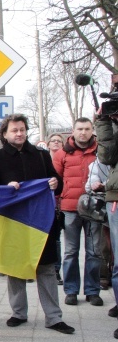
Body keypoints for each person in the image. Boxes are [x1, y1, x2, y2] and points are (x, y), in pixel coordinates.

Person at [0, 114, 75, 335]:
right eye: (14, 130)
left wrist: (56, 182)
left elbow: (58, 183)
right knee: (15, 266)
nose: (20, 133)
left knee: (45, 268)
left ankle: (54, 317)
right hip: (13, 222)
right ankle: (18, 313)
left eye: (22, 129)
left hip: (41, 222)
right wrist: (6, 188)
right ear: (4, 134)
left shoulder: (42, 156)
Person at [53, 117, 103, 306]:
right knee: (71, 251)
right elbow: (54, 181)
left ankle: (92, 291)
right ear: (73, 131)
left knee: (94, 251)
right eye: (80, 129)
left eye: (87, 129)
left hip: (95, 209)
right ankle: (71, 290)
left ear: (92, 130)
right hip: (70, 209)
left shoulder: (100, 151)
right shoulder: (62, 154)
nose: (83, 132)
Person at [94, 105, 118, 337]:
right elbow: (107, 156)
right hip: (116, 199)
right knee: (117, 261)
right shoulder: (113, 126)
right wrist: (103, 122)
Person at [84, 158, 112, 292]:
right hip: (102, 206)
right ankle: (103, 275)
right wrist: (96, 184)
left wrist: (105, 184)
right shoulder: (97, 162)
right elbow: (89, 184)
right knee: (103, 245)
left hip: (110, 202)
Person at [47, 133, 65, 285]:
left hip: (61, 203)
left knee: (57, 240)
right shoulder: (42, 159)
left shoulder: (65, 158)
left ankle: (56, 270)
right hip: (47, 204)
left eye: (59, 141)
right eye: (53, 141)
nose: (56, 143)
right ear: (48, 144)